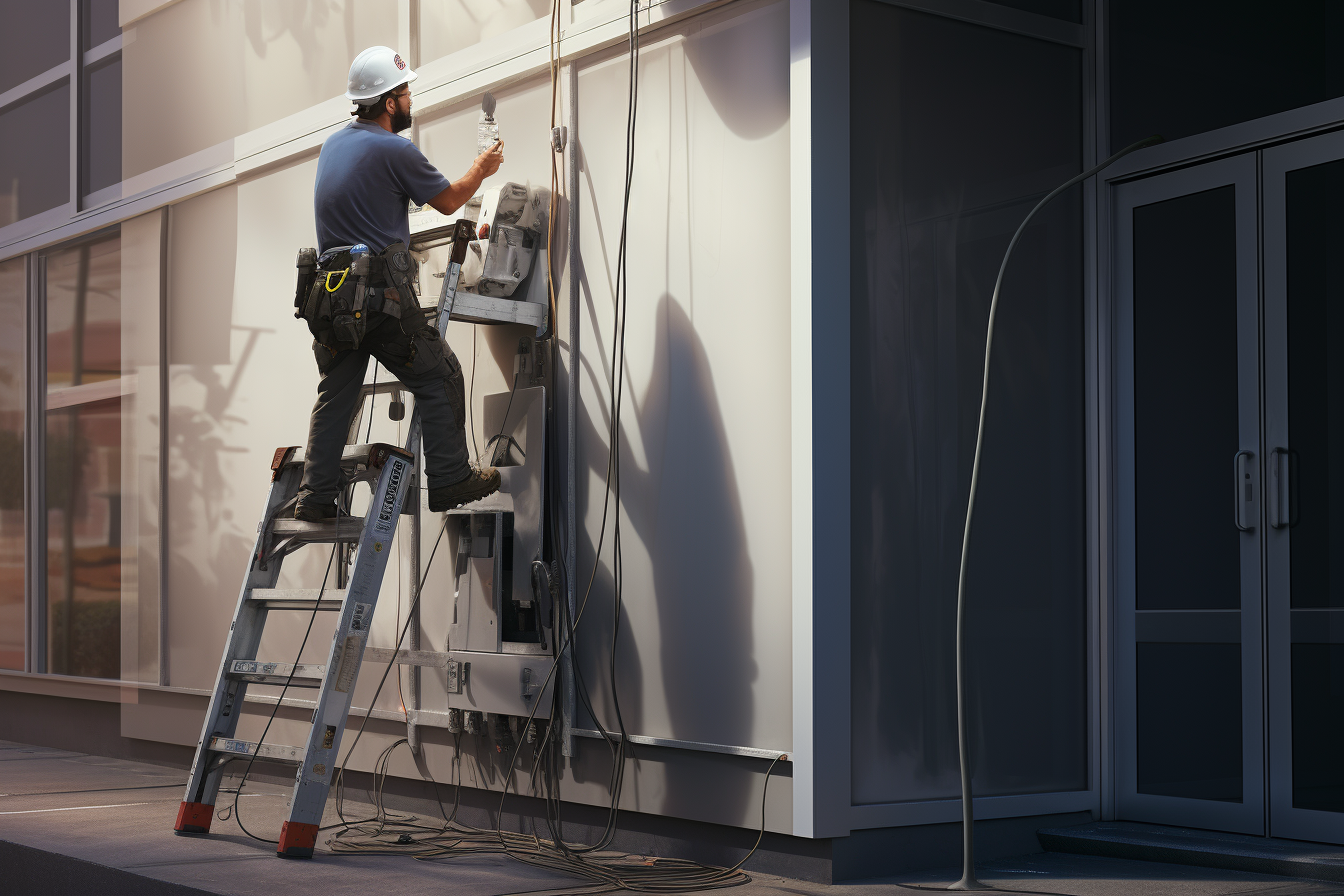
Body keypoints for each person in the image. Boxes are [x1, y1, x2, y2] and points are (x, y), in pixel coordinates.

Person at [294, 46, 504, 521]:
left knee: (337, 393)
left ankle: (315, 497)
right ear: (389, 102)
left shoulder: (334, 145)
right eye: (405, 92)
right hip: (377, 299)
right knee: (440, 373)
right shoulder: (394, 148)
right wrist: (482, 169)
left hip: (330, 300)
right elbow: (449, 201)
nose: (411, 99)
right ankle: (451, 478)